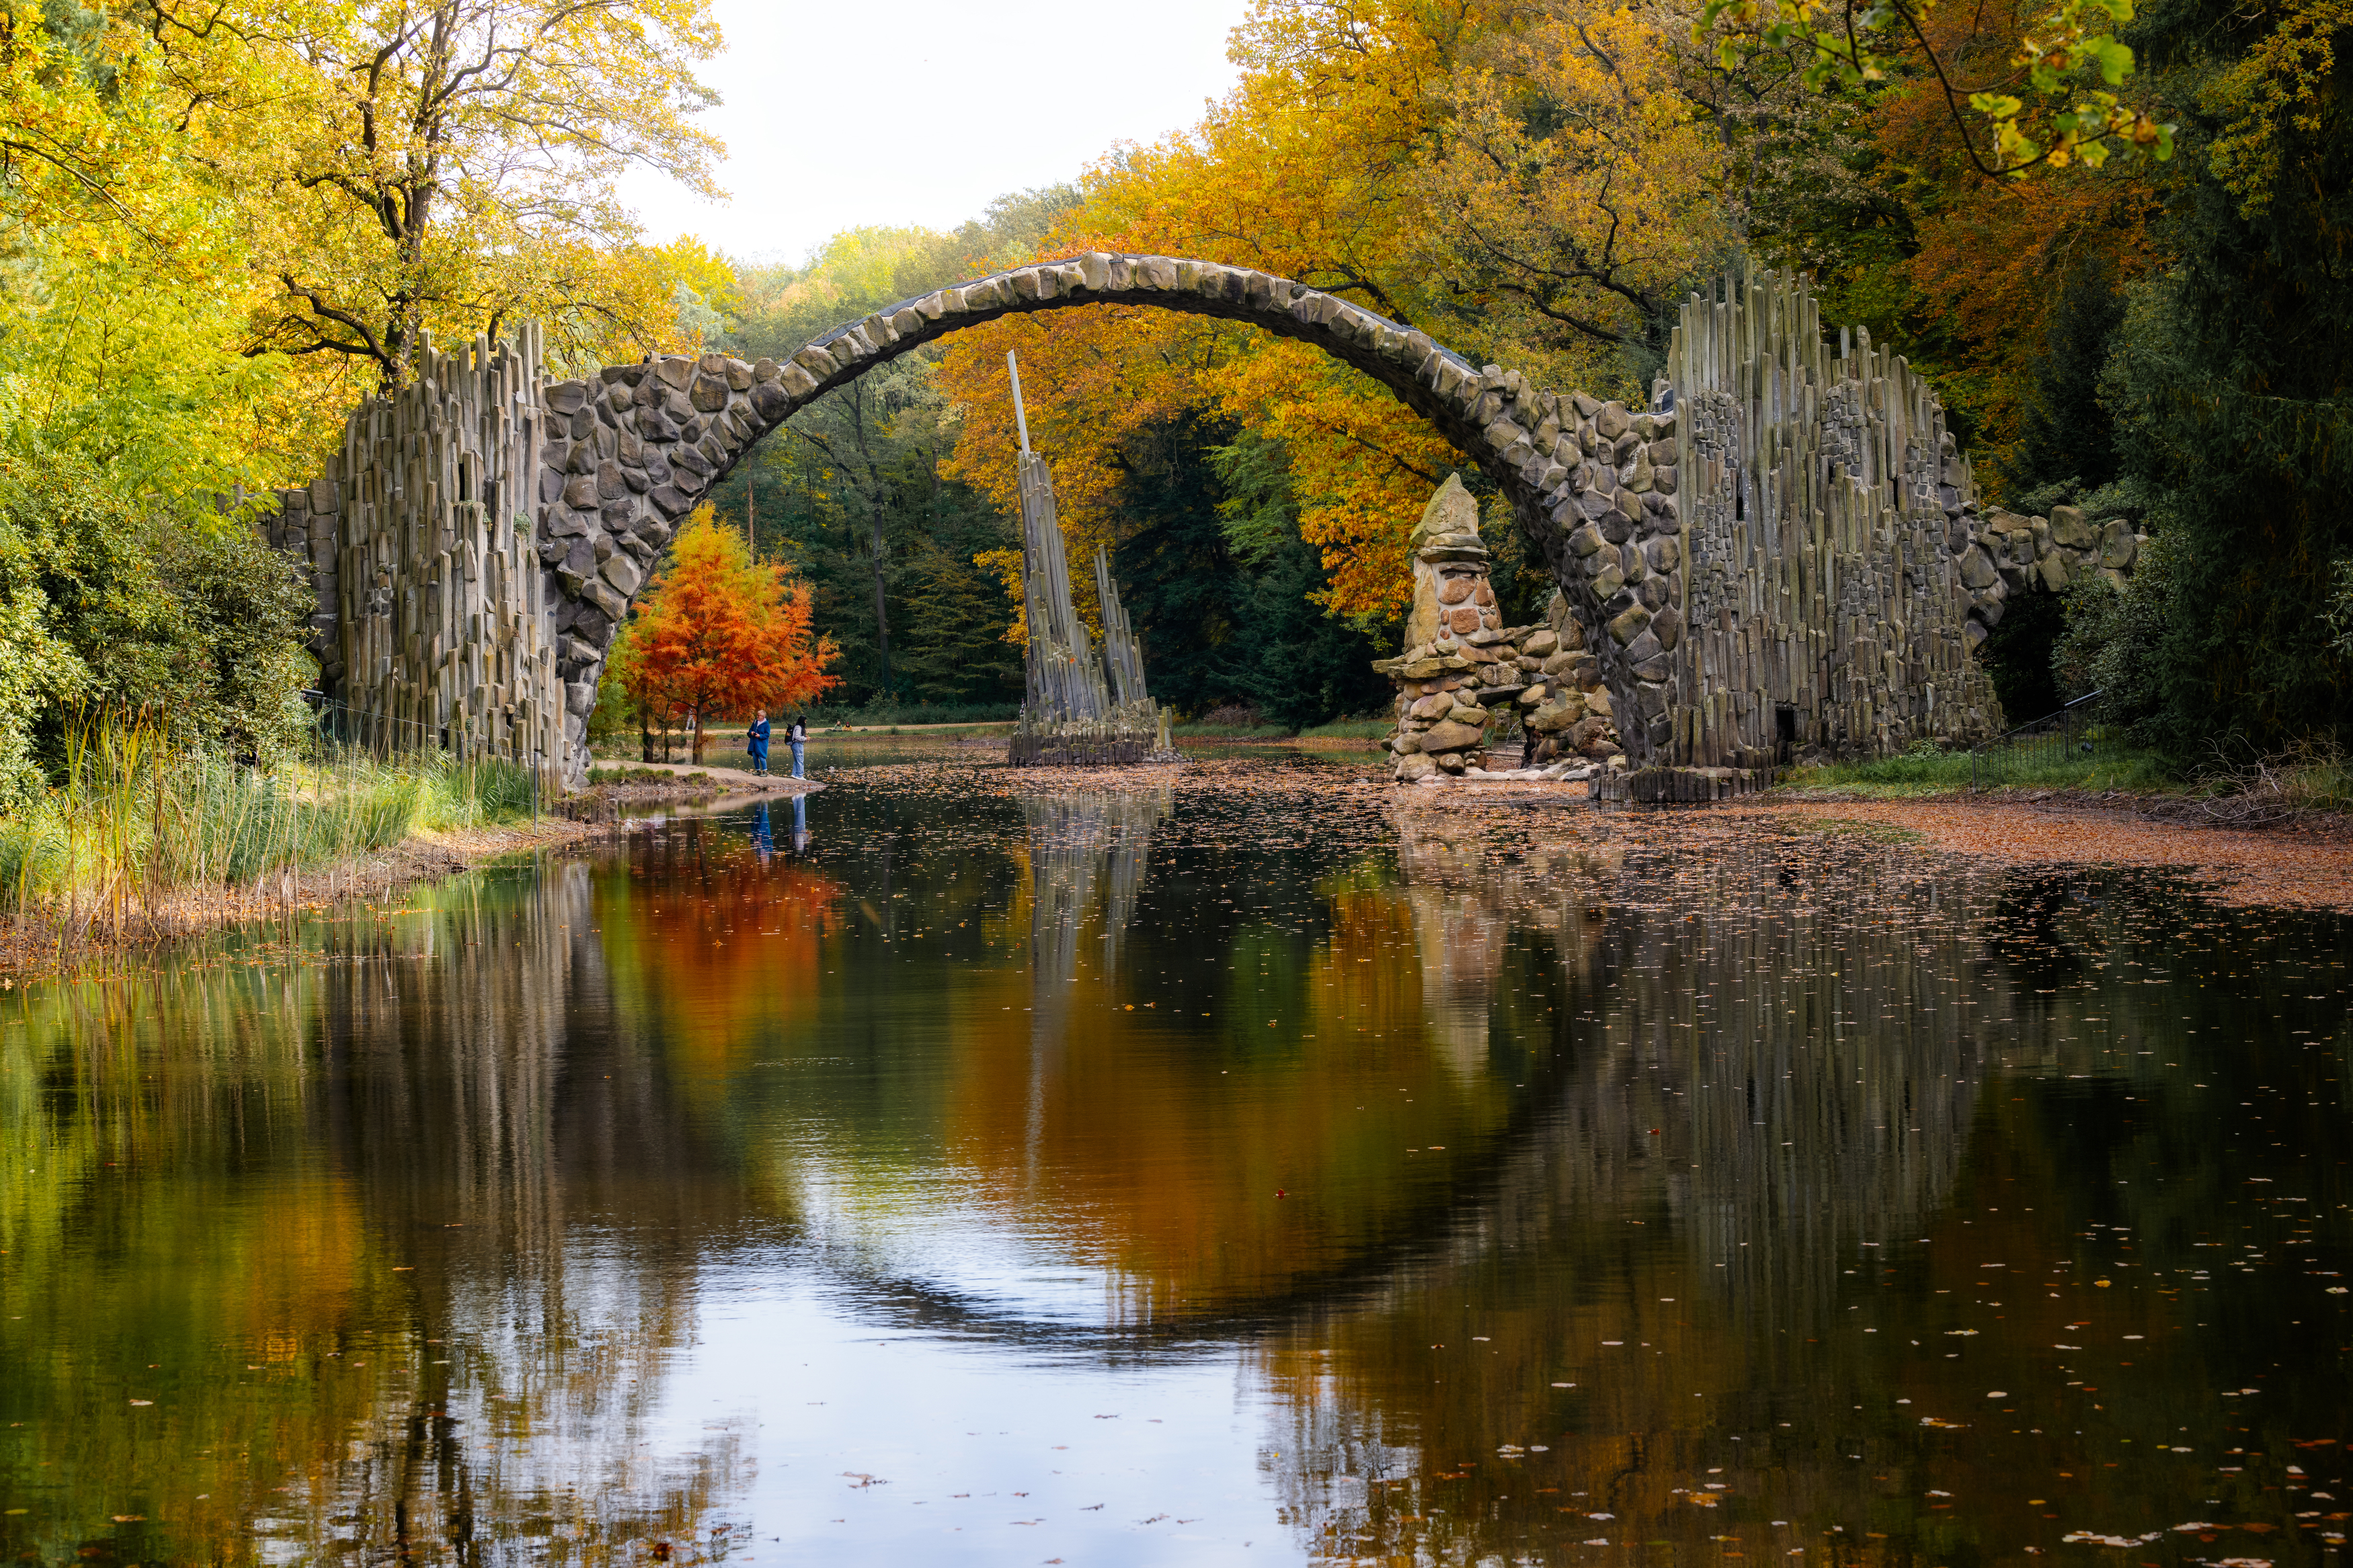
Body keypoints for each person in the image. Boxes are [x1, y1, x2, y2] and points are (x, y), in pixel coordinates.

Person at [747, 709, 772, 776]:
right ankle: (758, 771)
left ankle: (765, 772)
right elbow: (750, 729)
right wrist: (751, 732)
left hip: (761, 744)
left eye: (759, 715)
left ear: (763, 716)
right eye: (757, 715)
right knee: (755, 757)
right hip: (754, 742)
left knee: (761, 757)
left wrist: (760, 736)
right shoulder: (755, 722)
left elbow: (767, 734)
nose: (757, 716)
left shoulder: (767, 725)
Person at [788, 714, 807, 779]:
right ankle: (800, 775)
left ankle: (794, 774)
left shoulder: (796, 727)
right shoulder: (799, 727)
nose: (805, 722)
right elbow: (797, 737)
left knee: (796, 760)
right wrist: (806, 739)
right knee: (800, 760)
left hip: (794, 745)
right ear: (802, 721)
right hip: (798, 745)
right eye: (805, 721)